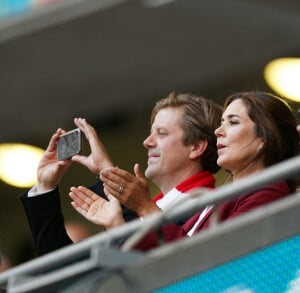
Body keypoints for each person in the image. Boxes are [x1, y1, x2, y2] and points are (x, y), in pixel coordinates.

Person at [69, 91, 299, 250]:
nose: (219, 131)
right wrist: (117, 224)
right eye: (221, 123)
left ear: (263, 138)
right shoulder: (220, 199)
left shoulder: (269, 189)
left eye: (233, 122)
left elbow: (210, 258)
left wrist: (145, 208)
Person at [20, 91, 222, 256]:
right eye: (151, 133)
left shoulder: (212, 208)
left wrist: (108, 174)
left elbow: (172, 260)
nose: (147, 142)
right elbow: (63, 273)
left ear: (196, 147)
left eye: (162, 134)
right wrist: (45, 188)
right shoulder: (151, 207)